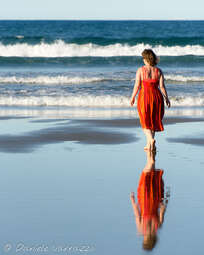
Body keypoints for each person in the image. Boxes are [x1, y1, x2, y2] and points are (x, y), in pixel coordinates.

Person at [130, 49, 170, 151]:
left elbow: (137, 86)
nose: (143, 60)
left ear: (146, 58)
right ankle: (149, 144)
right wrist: (167, 98)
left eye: (143, 58)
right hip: (157, 97)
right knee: (153, 120)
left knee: (144, 120)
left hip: (145, 97)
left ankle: (151, 139)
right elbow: (162, 87)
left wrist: (133, 97)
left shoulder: (140, 70)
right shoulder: (158, 71)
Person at [130, 150, 169, 251]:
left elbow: (163, 209)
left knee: (152, 176)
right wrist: (133, 201)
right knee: (146, 175)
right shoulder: (140, 229)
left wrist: (165, 199)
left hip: (155, 199)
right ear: (145, 240)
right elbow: (137, 213)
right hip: (144, 199)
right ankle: (150, 156)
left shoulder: (158, 226)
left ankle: (151, 155)